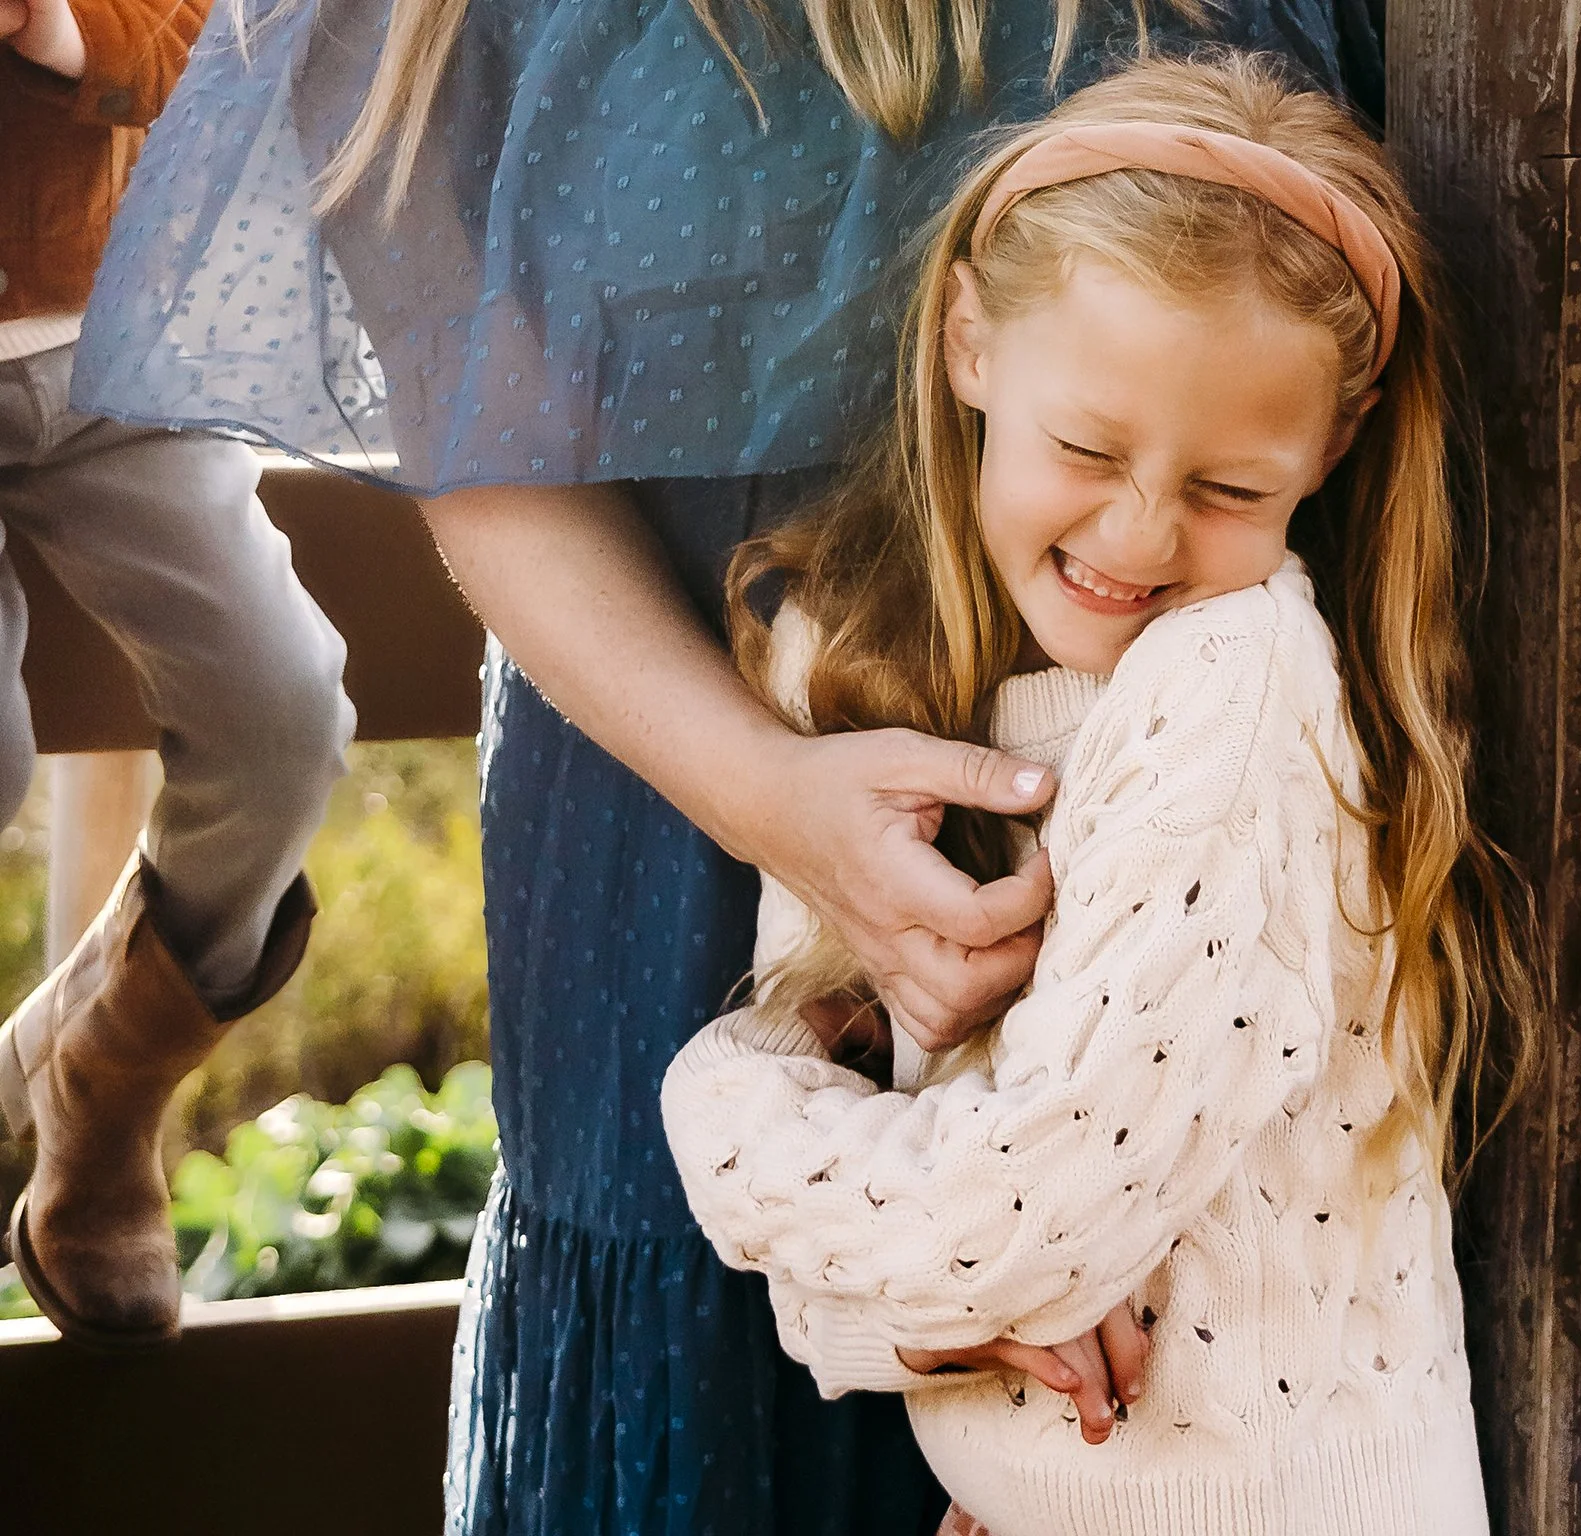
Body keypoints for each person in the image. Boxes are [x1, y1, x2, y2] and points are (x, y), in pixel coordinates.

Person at [70, 0, 1380, 1529]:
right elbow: (472, 423)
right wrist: (775, 802)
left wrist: (1070, 1187)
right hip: (661, 823)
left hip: (1142, 867)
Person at [660, 53, 1537, 1535]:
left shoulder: (1230, 682)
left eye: (1230, 490)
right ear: (970, 345)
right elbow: (910, 1268)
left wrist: (709, 1105)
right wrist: (922, 1317)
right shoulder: (856, 659)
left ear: (1334, 441)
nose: (1140, 534)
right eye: (1087, 448)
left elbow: (1024, 1222)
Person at [0, 0, 355, 1349]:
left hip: (114, 343)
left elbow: (219, 33)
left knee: (284, 713)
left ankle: (104, 1075)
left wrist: (57, 28)